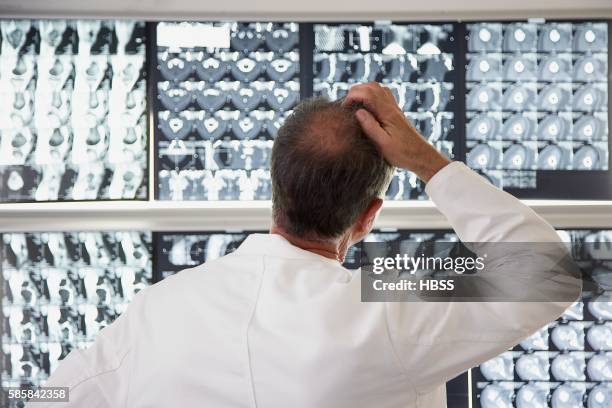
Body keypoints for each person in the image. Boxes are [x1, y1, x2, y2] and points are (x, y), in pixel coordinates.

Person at [34, 82, 581, 407]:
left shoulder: (159, 307)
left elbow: (47, 398)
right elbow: (548, 272)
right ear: (369, 217)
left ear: (274, 186)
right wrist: (426, 161)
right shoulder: (391, 298)